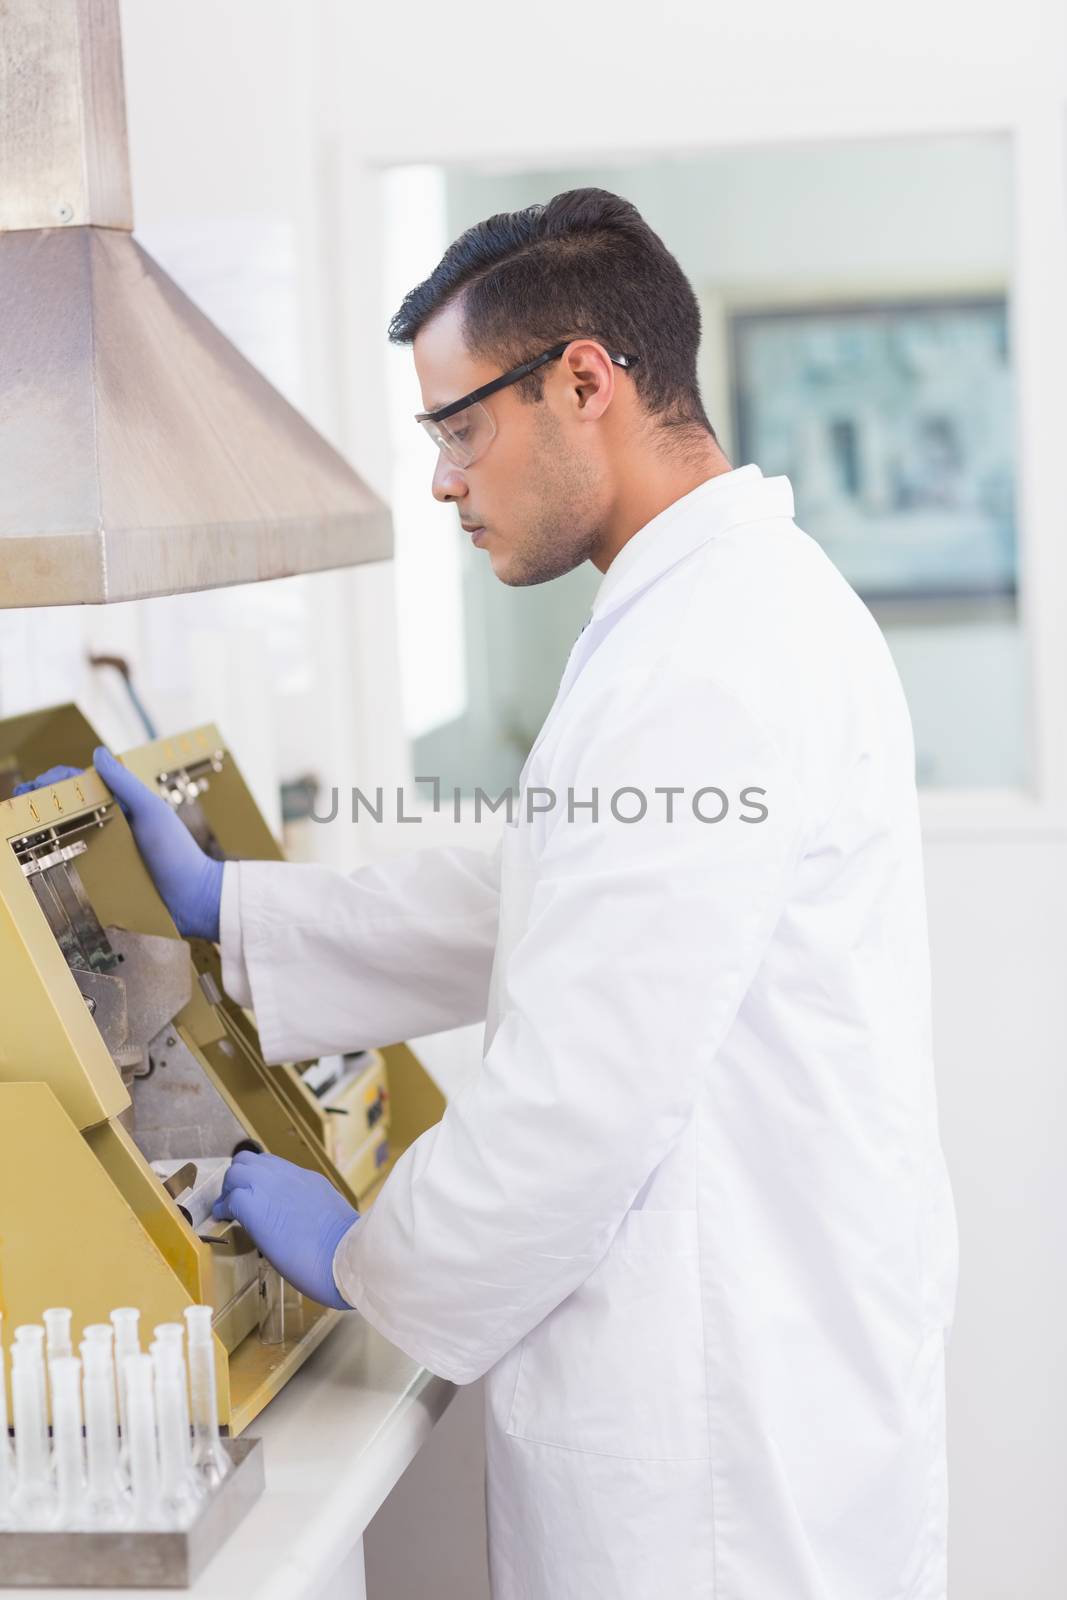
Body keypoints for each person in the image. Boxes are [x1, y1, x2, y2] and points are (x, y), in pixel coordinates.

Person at [24, 189, 959, 1600]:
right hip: (759, 1387)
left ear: (585, 380)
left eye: (461, 429)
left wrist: (371, 1259)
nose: (448, 481)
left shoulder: (707, 658)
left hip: (722, 1461)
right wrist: (237, 908)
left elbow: (580, 1096)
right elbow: (553, 896)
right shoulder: (714, 611)